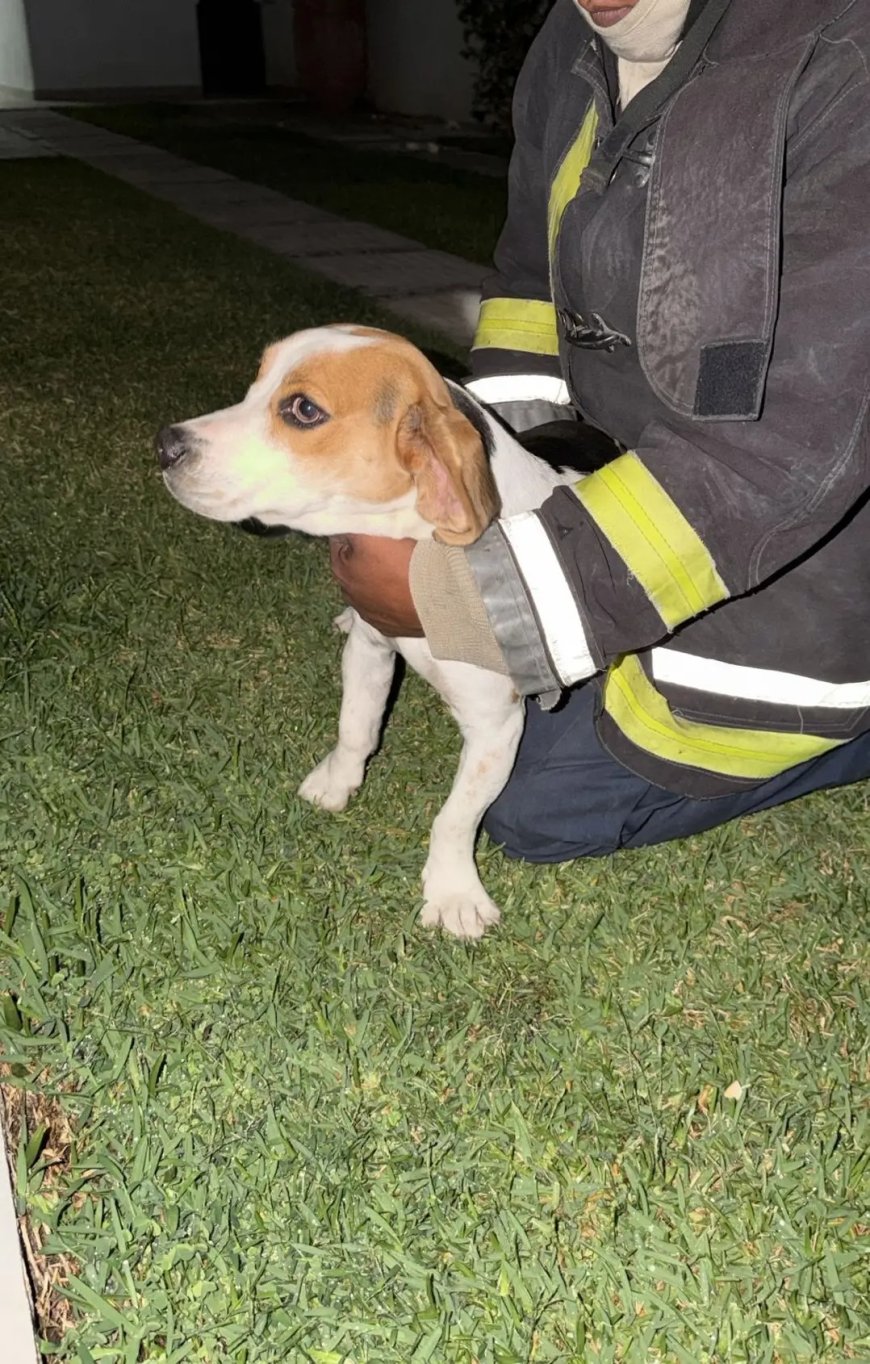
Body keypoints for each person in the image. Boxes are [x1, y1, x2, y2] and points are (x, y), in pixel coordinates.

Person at [330, 0, 870, 863]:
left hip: (822, 555)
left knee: (539, 803)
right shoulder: (570, 40)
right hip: (637, 479)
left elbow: (785, 452)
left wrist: (474, 601)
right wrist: (499, 494)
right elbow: (527, 288)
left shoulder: (844, 51)